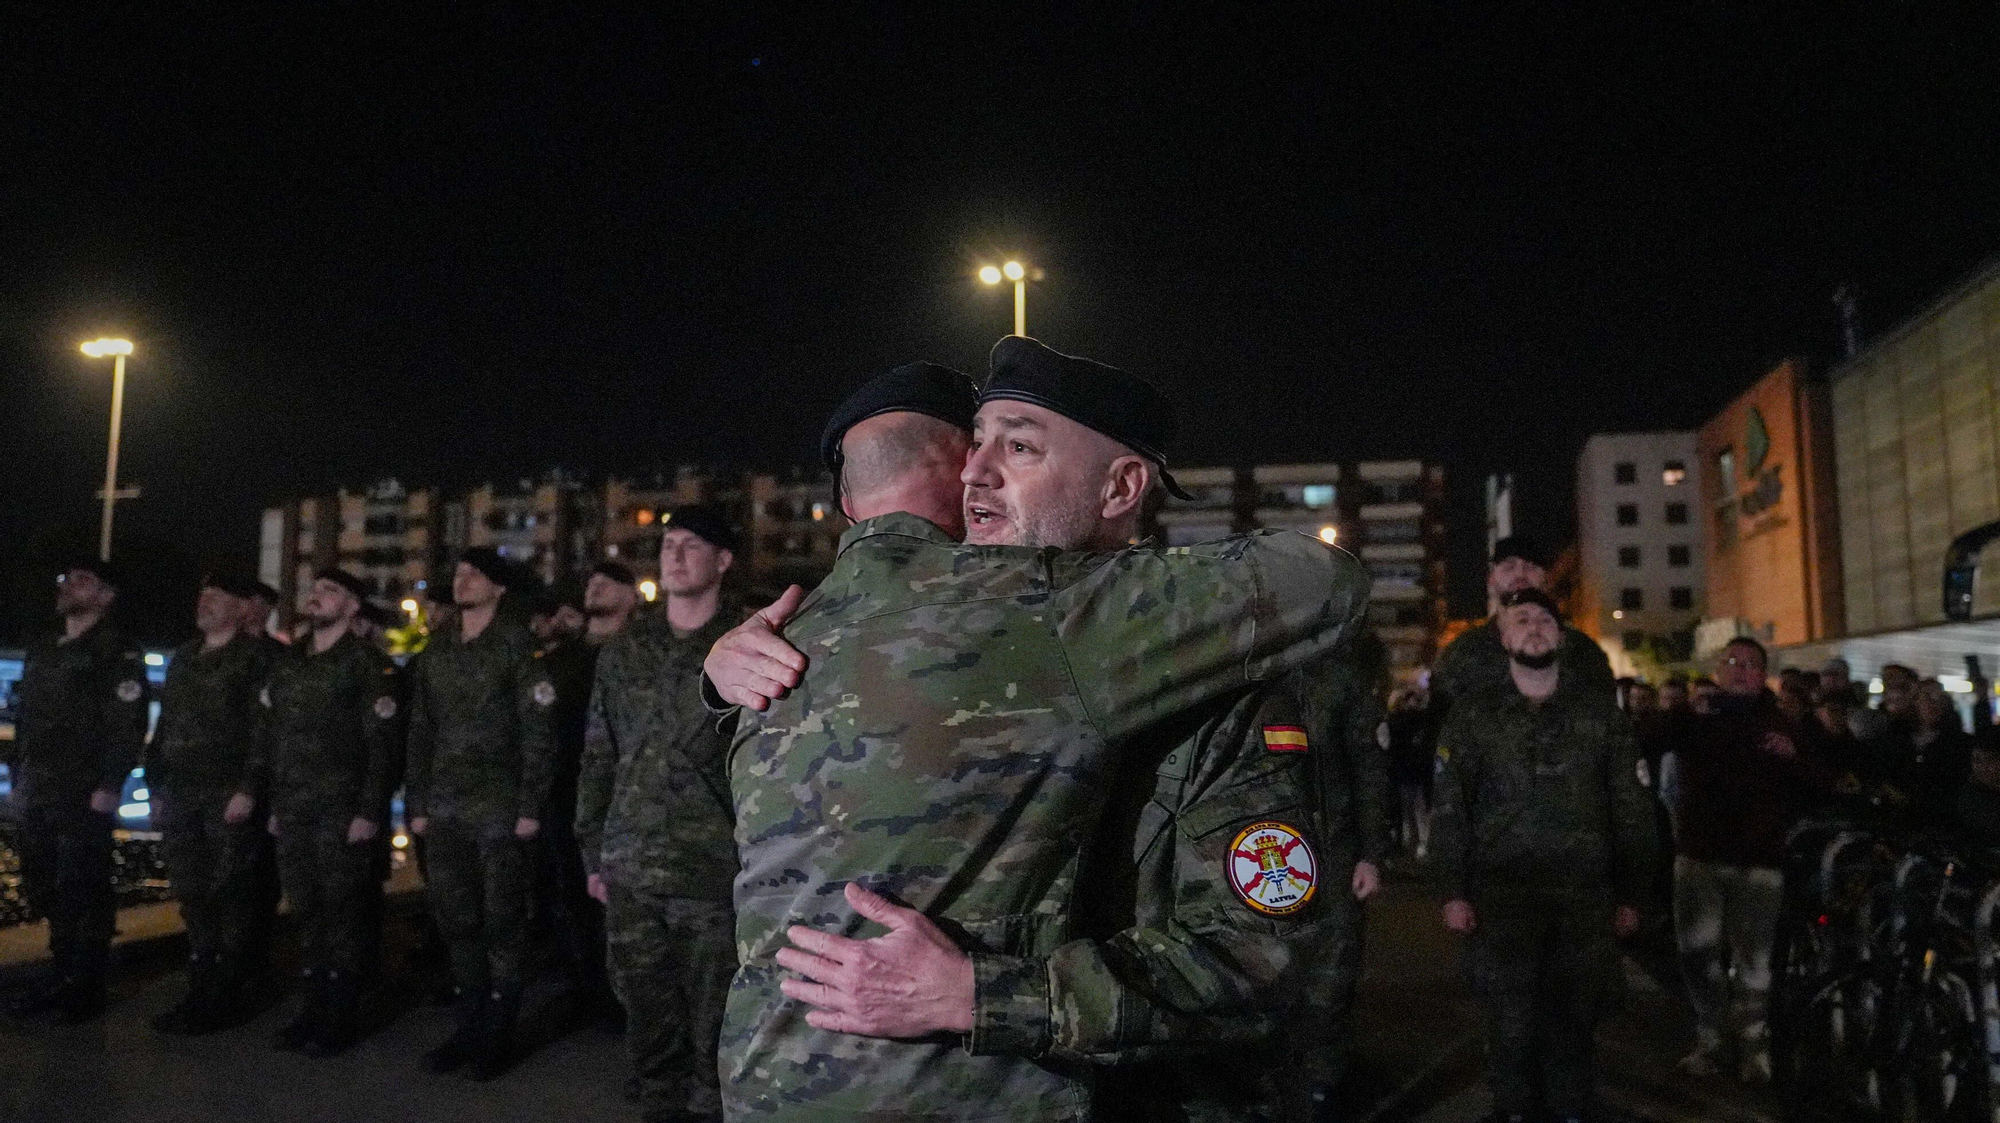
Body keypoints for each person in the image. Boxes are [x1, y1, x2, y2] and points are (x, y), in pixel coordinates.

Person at [706, 342, 1371, 1122]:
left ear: (1121, 485)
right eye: (975, 440)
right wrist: (720, 672)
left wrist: (987, 995)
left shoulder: (1219, 693)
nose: (972, 472)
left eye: (1016, 446)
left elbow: (1261, 959)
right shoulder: (933, 643)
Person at [1429, 589, 1655, 1123]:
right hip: (1501, 895)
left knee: (1576, 1017)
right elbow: (1450, 809)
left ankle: (1572, 1109)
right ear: (1504, 638)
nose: (1534, 627)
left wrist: (1634, 893)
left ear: (1561, 635)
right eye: (1521, 620)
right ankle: (1513, 1110)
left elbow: (1632, 809)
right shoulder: (1473, 717)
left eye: (1545, 620)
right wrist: (1452, 891)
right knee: (1510, 1018)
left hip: (1584, 895)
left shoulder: (1600, 714)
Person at [574, 515, 743, 1123]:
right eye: (668, 546)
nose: (674, 556)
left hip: (714, 865)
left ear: (722, 561)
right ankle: (658, 1105)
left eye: (691, 545)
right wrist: (593, 849)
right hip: (633, 862)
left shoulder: (745, 642)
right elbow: (599, 753)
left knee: (717, 1013)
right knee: (644, 1007)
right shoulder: (627, 648)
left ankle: (709, 1107)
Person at [404, 548, 559, 1080]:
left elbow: (538, 728)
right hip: (446, 807)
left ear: (499, 590)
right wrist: (418, 803)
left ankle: (498, 1032)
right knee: (457, 922)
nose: (463, 580)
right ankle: (469, 1024)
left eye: (476, 575)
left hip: (499, 808)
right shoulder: (438, 648)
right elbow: (421, 730)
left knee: (503, 925)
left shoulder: (517, 644)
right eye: (460, 573)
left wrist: (530, 806)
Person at [1670, 637, 1832, 1082]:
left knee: (1755, 962)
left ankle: (1753, 1048)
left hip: (1759, 862)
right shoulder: (1696, 717)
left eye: (1751, 664)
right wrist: (1685, 710)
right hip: (1700, 856)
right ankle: (1711, 1039)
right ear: (1719, 669)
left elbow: (1821, 783)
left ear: (1764, 674)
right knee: (1696, 953)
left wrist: (1793, 757)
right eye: (1732, 662)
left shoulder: (1780, 724)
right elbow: (1647, 738)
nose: (1740, 670)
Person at [259, 568, 404, 1055]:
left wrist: (369, 810)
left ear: (352, 607)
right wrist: (277, 804)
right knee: (307, 913)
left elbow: (382, 746)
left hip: (343, 811)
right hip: (297, 808)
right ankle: (312, 1009)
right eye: (316, 589)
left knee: (343, 914)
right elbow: (277, 738)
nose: (317, 597)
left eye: (331, 591)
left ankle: (339, 1016)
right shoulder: (293, 661)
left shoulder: (367, 664)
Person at [3, 559, 151, 1023]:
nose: (68, 586)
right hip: (38, 785)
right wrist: (18, 776)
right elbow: (25, 720)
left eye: (82, 581)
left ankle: (83, 985)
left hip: (83, 788)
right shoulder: (46, 647)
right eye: (64, 578)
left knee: (82, 885)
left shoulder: (117, 651)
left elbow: (127, 723)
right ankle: (60, 971)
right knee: (43, 880)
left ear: (106, 596)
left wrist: (111, 783)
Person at [147, 572, 274, 1034]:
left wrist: (249, 788)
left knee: (231, 894)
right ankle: (200, 987)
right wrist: (155, 781)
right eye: (202, 596)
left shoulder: (256, 658)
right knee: (192, 892)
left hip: (226, 794)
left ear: (242, 609)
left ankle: (227, 991)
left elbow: (264, 730)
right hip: (182, 792)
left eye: (217, 598)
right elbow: (166, 724)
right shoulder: (184, 656)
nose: (205, 603)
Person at [1429, 537, 1615, 728]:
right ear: (1491, 577)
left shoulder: (1581, 651)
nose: (1520, 575)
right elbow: (1442, 727)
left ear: (1546, 578)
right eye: (1509, 567)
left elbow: (1608, 724)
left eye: (1531, 567)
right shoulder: (1462, 653)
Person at [1385, 687, 1435, 858]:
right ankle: (1410, 842)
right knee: (1408, 807)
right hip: (1406, 769)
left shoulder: (1421, 720)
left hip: (1416, 770)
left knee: (1418, 806)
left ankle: (1421, 842)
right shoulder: (1400, 720)